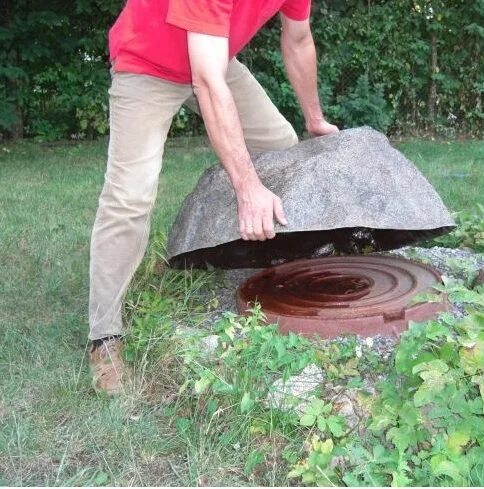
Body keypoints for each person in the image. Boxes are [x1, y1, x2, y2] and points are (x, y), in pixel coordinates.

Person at [88, 0, 338, 395]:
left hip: (214, 59)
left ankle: (233, 251)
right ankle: (104, 338)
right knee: (129, 197)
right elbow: (206, 82)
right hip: (147, 62)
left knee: (280, 146)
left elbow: (299, 39)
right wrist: (247, 186)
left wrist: (314, 118)